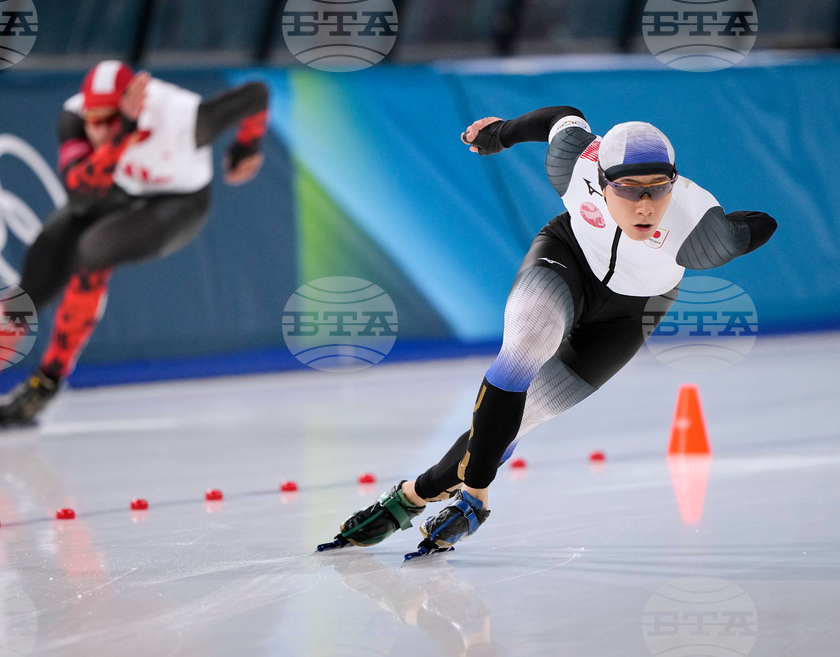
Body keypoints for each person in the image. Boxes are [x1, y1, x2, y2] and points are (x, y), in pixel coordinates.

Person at [319, 106, 777, 559]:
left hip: (634, 309)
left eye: (658, 189)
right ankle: (475, 499)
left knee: (522, 418)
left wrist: (726, 229)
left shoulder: (699, 229)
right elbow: (560, 117)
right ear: (600, 180)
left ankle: (410, 496)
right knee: (524, 347)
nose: (644, 205)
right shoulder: (573, 161)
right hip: (567, 259)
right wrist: (501, 133)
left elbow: (760, 224)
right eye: (627, 189)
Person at [0, 61, 270, 428]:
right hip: (119, 186)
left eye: (109, 120)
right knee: (40, 268)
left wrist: (247, 145)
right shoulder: (74, 118)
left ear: (136, 109)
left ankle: (48, 380)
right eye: (93, 120)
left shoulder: (186, 119)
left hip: (180, 201)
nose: (98, 130)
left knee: (96, 249)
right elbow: (80, 197)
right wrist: (121, 135)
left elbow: (256, 95)